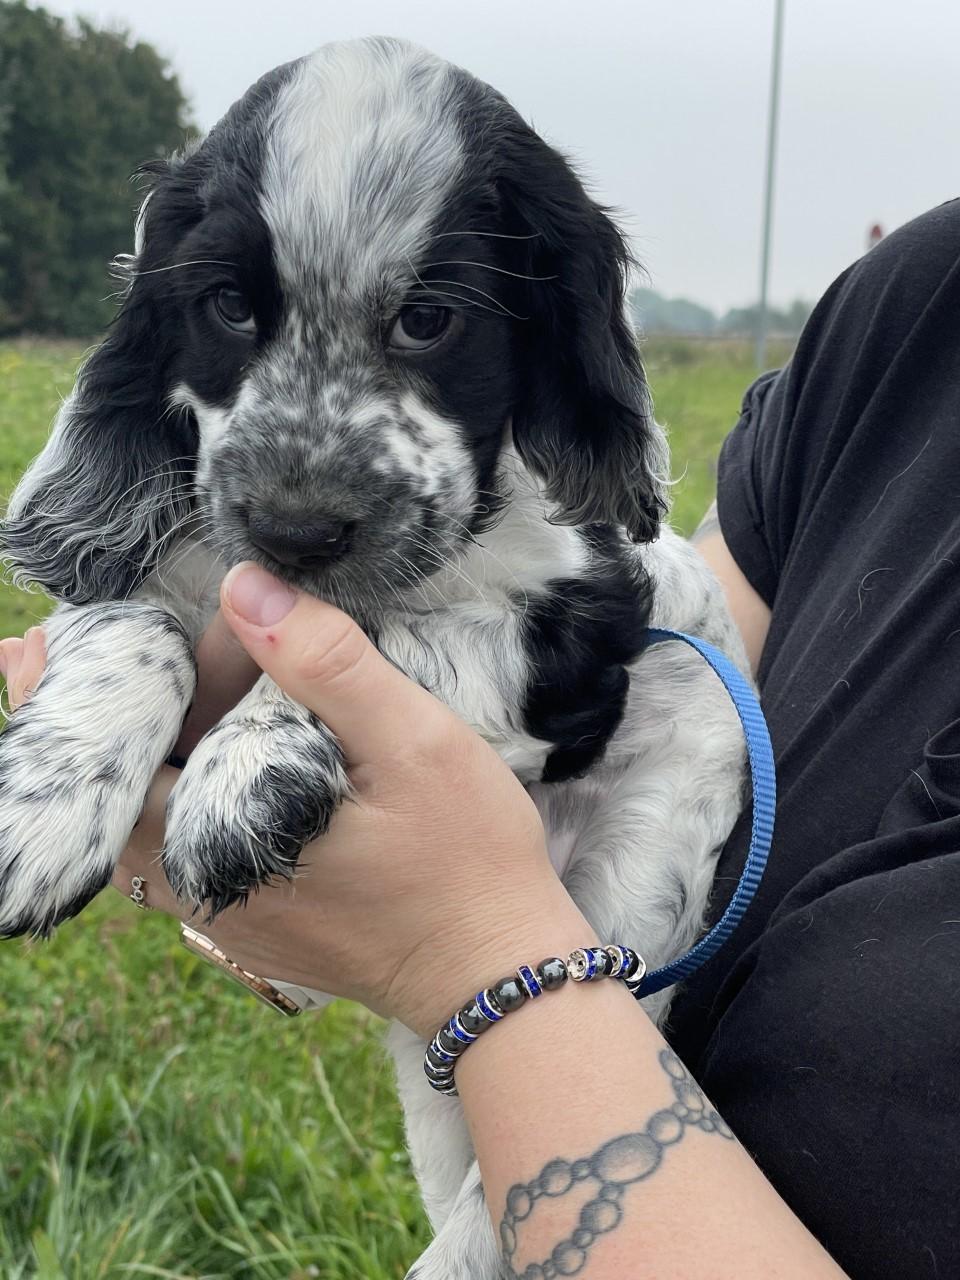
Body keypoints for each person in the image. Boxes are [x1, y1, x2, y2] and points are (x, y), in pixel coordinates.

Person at [4, 199, 959, 1278]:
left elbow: (625, 657)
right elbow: (678, 649)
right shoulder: (917, 302)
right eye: (234, 308)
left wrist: (466, 948)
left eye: (425, 324)